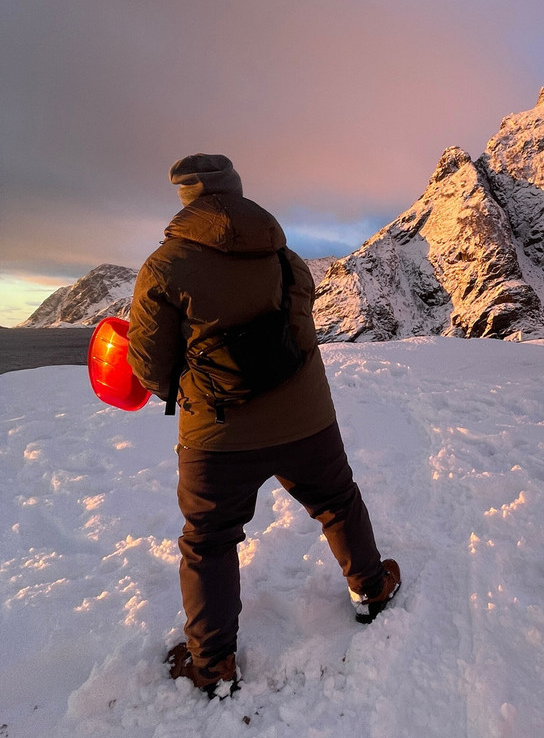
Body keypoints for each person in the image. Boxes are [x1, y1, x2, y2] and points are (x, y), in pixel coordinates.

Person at [127, 153, 400, 698]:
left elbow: (150, 368)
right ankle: (371, 591)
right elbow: (296, 329)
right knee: (337, 502)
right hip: (306, 418)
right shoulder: (287, 258)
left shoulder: (164, 266)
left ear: (186, 200)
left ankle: (213, 665)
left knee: (209, 540)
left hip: (217, 434)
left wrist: (181, 388)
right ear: (239, 190)